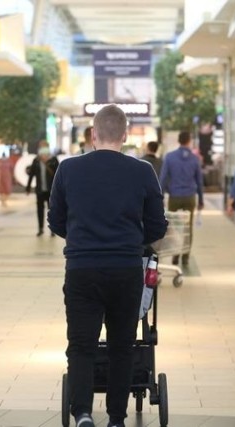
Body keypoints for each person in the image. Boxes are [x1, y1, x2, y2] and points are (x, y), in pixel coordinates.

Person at [48, 104, 167, 427]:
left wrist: (80, 239)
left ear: (93, 134)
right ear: (125, 135)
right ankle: (116, 417)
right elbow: (157, 226)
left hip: (82, 270)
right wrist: (133, 241)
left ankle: (83, 413)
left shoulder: (68, 170)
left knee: (81, 345)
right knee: (122, 346)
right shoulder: (143, 172)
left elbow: (55, 219)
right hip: (126, 270)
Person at [158, 131, 204, 266]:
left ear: (179, 141)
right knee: (187, 227)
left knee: (172, 226)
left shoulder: (170, 157)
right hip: (190, 197)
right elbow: (199, 181)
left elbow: (163, 178)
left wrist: (160, 196)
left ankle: (175, 255)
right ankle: (185, 256)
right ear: (189, 140)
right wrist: (201, 199)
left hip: (174, 196)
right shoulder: (195, 159)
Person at [26, 142, 59, 236]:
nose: (43, 149)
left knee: (52, 210)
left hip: (51, 190)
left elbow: (58, 174)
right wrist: (28, 187)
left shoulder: (53, 160)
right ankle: (40, 229)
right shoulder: (36, 160)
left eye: (45, 147)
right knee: (39, 210)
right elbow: (31, 174)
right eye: (41, 147)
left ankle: (53, 229)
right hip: (40, 189)